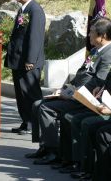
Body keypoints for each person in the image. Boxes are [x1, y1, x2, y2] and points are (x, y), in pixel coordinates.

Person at [28, 18, 111, 166]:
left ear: (103, 36)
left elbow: (98, 81)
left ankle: (53, 151)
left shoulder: (108, 54)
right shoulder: (94, 51)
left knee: (46, 108)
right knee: (36, 104)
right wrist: (65, 88)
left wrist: (73, 93)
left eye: (91, 32)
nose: (89, 35)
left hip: (85, 99)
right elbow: (81, 74)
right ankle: (45, 146)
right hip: (75, 93)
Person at [4, 0, 46, 135]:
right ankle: (26, 121)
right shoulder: (23, 9)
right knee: (21, 94)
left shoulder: (35, 10)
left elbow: (35, 37)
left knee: (31, 94)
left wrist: (31, 60)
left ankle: (36, 124)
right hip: (19, 60)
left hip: (28, 61)